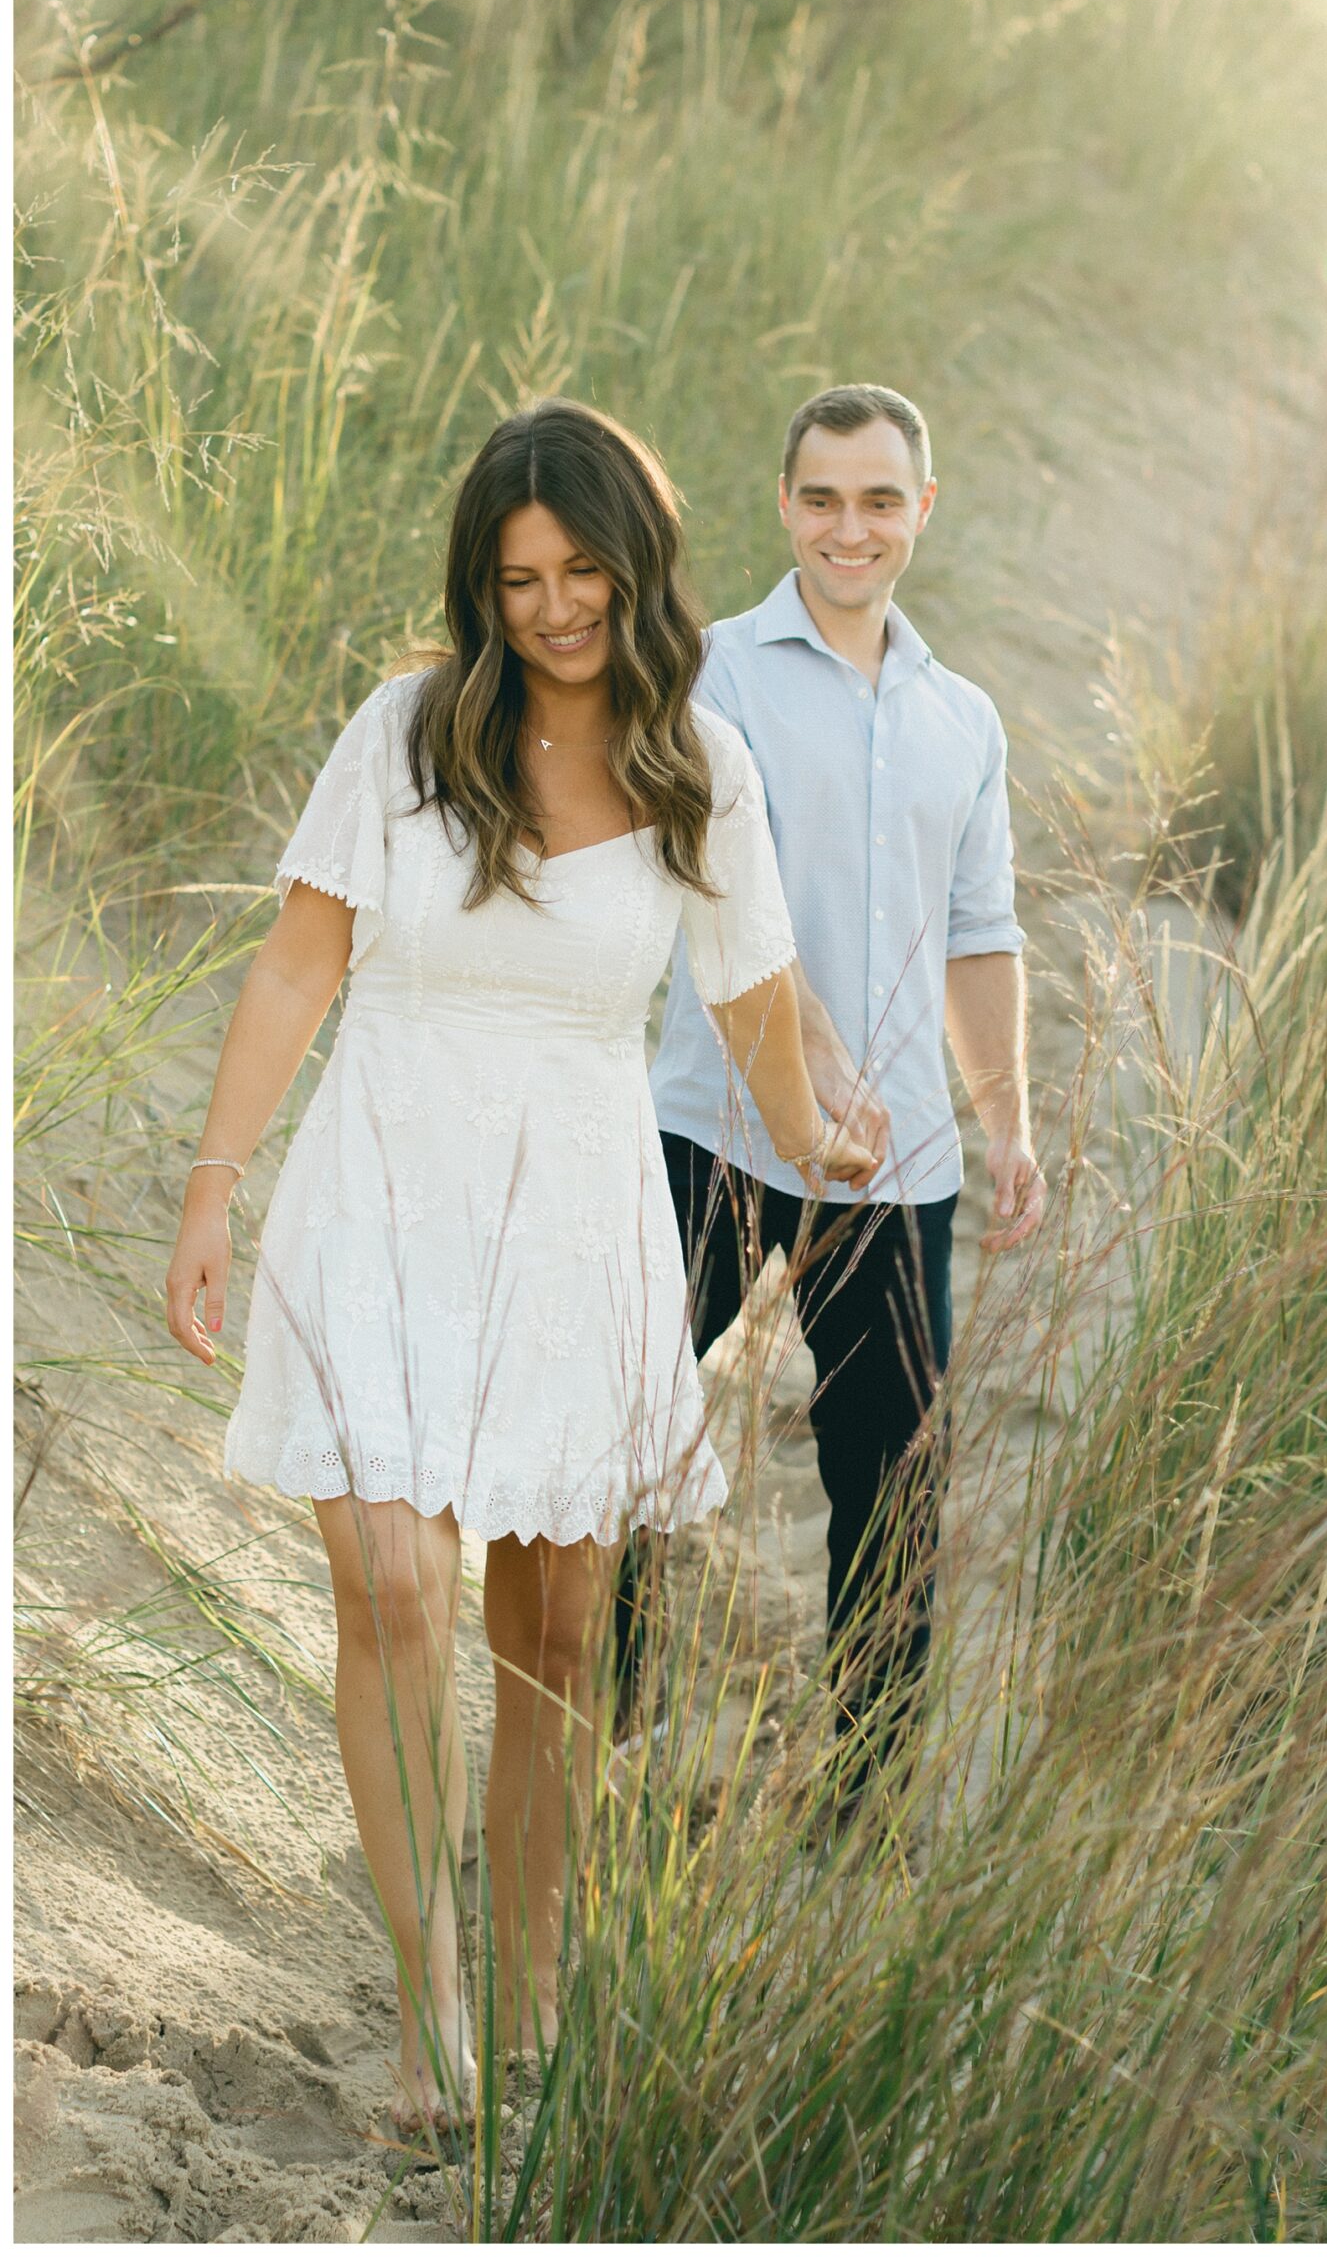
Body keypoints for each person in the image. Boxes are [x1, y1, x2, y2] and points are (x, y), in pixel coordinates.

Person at [162, 399, 876, 2136]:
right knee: (393, 1585)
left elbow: (753, 999)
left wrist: (818, 1133)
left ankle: (536, 1963)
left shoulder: (702, 766)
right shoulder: (404, 737)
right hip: (383, 1192)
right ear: (482, 589)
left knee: (553, 1633)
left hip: (577, 1217)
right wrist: (211, 1184)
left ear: (639, 570)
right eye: (518, 578)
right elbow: (291, 970)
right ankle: (430, 2011)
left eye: (581, 572)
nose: (554, 607)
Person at [632, 381, 1046, 1818]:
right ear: (787, 507)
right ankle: (595, 1743)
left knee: (894, 1484)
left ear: (921, 512)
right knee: (629, 1429)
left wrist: (1009, 1119)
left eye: (880, 500)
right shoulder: (714, 675)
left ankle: (866, 1802)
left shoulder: (962, 718)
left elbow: (982, 933)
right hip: (712, 1122)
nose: (849, 527)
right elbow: (695, 883)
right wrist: (799, 1060)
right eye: (822, 498)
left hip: (898, 1160)